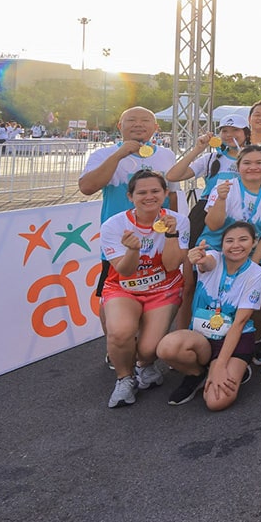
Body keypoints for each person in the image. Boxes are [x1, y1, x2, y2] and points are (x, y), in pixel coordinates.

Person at [97, 169, 188, 407]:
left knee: (149, 349)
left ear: (165, 193)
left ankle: (143, 365)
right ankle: (124, 378)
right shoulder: (114, 225)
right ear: (130, 196)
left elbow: (170, 265)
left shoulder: (179, 221)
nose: (149, 196)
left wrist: (171, 235)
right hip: (123, 288)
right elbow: (124, 271)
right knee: (120, 332)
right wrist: (133, 250)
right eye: (142, 192)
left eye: (156, 191)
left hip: (163, 288)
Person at [159, 222, 261, 410]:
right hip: (202, 336)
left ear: (254, 242)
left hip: (235, 338)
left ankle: (226, 366)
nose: (236, 245)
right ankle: (197, 373)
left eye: (243, 240)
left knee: (216, 402)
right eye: (229, 241)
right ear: (222, 244)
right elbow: (206, 263)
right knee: (166, 348)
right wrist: (198, 258)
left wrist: (220, 366)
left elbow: (240, 322)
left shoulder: (257, 273)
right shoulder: (214, 258)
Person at [166, 114, 249, 247]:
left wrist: (246, 160)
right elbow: (172, 176)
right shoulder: (211, 158)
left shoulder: (255, 159)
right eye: (225, 131)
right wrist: (198, 149)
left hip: (239, 213)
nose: (229, 134)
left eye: (235, 130)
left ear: (246, 133)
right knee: (195, 254)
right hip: (205, 212)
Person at [201, 144, 261, 260]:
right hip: (216, 252)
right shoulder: (225, 187)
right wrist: (221, 200)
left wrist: (252, 267)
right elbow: (212, 225)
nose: (253, 167)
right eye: (247, 163)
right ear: (238, 167)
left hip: (252, 256)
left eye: (259, 163)